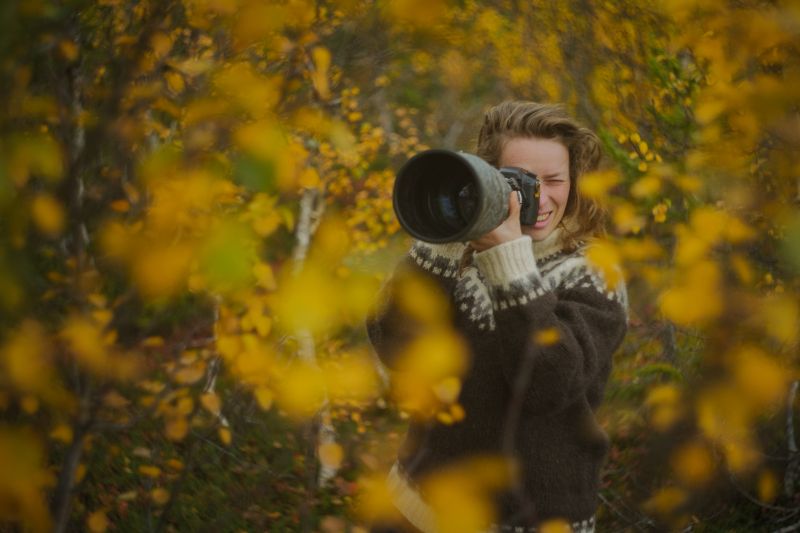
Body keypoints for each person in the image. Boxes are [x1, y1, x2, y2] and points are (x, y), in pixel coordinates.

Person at [367, 101, 628, 532]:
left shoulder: (593, 272)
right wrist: (442, 241)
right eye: (522, 181)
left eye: (554, 180)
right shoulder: (459, 254)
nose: (539, 197)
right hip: (416, 506)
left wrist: (509, 262)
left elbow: (550, 383)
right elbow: (394, 346)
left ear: (575, 183)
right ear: (489, 176)